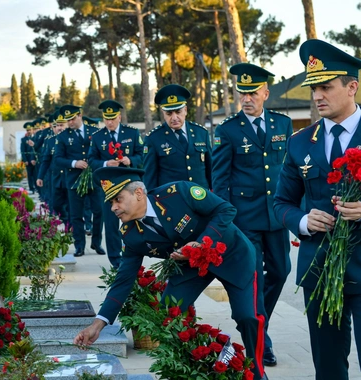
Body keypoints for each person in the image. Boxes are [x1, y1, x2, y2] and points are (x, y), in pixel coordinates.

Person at [74, 167, 266, 380]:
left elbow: (226, 210)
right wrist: (97, 325)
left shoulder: (178, 193)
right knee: (167, 316)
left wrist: (201, 243)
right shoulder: (130, 234)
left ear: (138, 193)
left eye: (118, 199)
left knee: (248, 317)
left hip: (230, 255)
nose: (113, 208)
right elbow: (123, 280)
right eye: (110, 202)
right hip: (189, 266)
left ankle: (258, 374)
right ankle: (192, 370)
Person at [274, 39, 361, 379]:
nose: (317, 96)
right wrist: (303, 220)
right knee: (327, 368)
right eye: (314, 88)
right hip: (321, 269)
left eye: (326, 86)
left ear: (352, 86)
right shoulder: (299, 143)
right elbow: (281, 202)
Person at [212, 63, 293, 367]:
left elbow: (288, 170)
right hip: (244, 219)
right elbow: (219, 179)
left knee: (282, 271)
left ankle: (263, 323)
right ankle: (262, 342)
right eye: (242, 93)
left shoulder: (282, 125)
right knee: (255, 278)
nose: (247, 98)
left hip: (276, 216)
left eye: (253, 93)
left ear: (265, 94)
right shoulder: (228, 129)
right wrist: (224, 219)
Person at [88, 100, 144, 268]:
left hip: (129, 185)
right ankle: (115, 260)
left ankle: (133, 254)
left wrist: (130, 160)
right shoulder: (98, 137)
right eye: (106, 119)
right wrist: (106, 164)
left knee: (133, 220)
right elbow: (91, 160)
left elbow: (142, 155)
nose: (109, 122)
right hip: (108, 187)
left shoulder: (132, 133)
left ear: (119, 117)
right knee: (111, 223)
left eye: (112, 118)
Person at [54, 104, 104, 257]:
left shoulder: (94, 132)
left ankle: (96, 242)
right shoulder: (62, 137)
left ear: (80, 115)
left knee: (99, 211)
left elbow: (100, 152)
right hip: (74, 180)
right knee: (76, 214)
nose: (70, 122)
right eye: (68, 120)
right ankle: (79, 246)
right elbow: (58, 159)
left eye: (73, 119)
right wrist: (74, 163)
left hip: (94, 179)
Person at [143, 84, 212, 190]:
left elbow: (211, 169)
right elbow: (149, 178)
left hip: (202, 198)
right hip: (171, 200)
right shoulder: (153, 139)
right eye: (169, 113)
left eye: (178, 112)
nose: (174, 118)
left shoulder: (201, 133)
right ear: (163, 113)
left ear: (185, 110)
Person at [37, 111, 69, 224]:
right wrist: (40, 176)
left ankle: (70, 226)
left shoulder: (72, 139)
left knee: (71, 204)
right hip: (56, 178)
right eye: (58, 126)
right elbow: (45, 160)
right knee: (56, 204)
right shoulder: (50, 141)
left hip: (70, 177)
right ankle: (66, 220)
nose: (60, 128)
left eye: (62, 125)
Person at [20, 122, 37, 193]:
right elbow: (23, 151)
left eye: (30, 130)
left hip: (35, 159)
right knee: (30, 175)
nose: (29, 131)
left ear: (32, 130)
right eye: (27, 130)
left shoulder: (35, 137)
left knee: (36, 174)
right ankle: (31, 188)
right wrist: (25, 160)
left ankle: (36, 187)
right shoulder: (24, 140)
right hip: (28, 159)